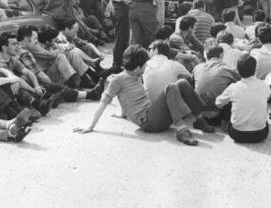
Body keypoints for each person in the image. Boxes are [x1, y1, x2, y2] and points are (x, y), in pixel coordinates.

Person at [74, 45, 213, 146]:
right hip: (148, 122)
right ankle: (182, 130)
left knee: (182, 83)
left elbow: (125, 97)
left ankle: (200, 119)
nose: (147, 67)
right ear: (137, 67)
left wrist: (123, 114)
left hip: (154, 114)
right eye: (145, 65)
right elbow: (103, 103)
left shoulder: (135, 75)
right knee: (171, 86)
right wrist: (90, 127)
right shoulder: (117, 79)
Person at [16, 26, 105, 103]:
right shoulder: (24, 53)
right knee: (62, 89)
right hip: (38, 86)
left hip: (38, 84)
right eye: (35, 40)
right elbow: (39, 74)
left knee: (68, 55)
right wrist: (54, 87)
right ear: (25, 40)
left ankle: (85, 87)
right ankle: (86, 91)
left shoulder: (26, 49)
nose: (36, 42)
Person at [0, 32, 54, 116]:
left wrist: (36, 86)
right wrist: (34, 91)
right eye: (14, 44)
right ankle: (39, 103)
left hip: (7, 87)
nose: (18, 47)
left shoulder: (11, 58)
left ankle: (43, 99)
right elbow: (16, 80)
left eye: (17, 43)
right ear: (4, 47)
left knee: (25, 77)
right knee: (16, 84)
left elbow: (29, 72)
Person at [215, 54, 270, 143]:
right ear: (255, 69)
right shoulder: (265, 85)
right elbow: (267, 97)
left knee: (229, 100)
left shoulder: (233, 87)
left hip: (237, 134)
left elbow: (218, 103)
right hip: (261, 134)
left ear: (238, 71)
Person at [193, 44, 240, 124]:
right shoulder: (226, 68)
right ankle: (228, 120)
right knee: (234, 84)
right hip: (219, 115)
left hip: (200, 114)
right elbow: (242, 80)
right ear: (221, 55)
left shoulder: (197, 67)